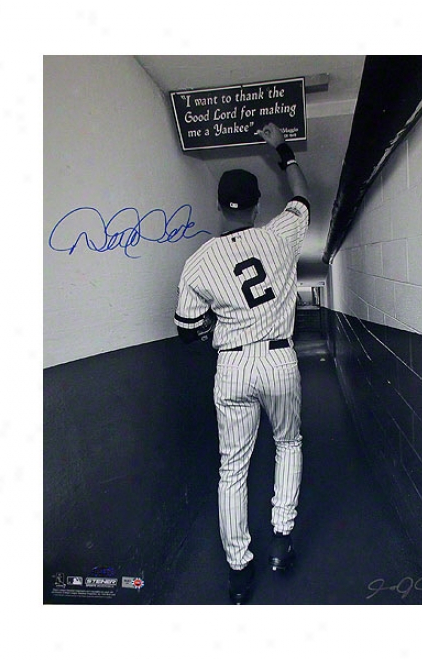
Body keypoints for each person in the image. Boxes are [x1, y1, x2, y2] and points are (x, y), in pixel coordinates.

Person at [174, 122, 310, 604]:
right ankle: (281, 537)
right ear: (256, 206)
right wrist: (282, 151)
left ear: (219, 206)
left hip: (231, 366)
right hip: (278, 359)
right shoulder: (280, 235)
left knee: (232, 468)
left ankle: (238, 568)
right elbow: (302, 196)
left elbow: (187, 331)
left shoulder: (197, 263)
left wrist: (219, 327)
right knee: (287, 442)